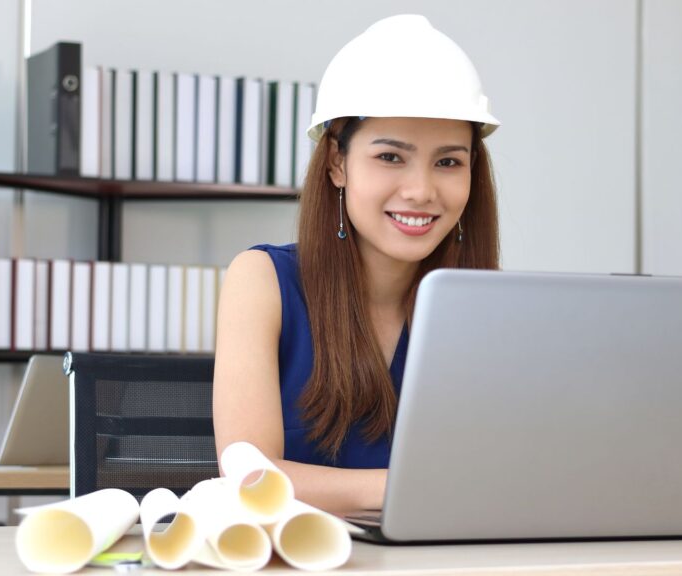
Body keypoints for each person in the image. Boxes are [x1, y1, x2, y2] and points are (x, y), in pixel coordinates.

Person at [213, 14, 502, 514]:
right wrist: (415, 488)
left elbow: (508, 472)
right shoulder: (262, 281)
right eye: (391, 157)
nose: (421, 191)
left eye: (448, 162)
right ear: (337, 164)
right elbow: (252, 477)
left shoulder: (484, 306)